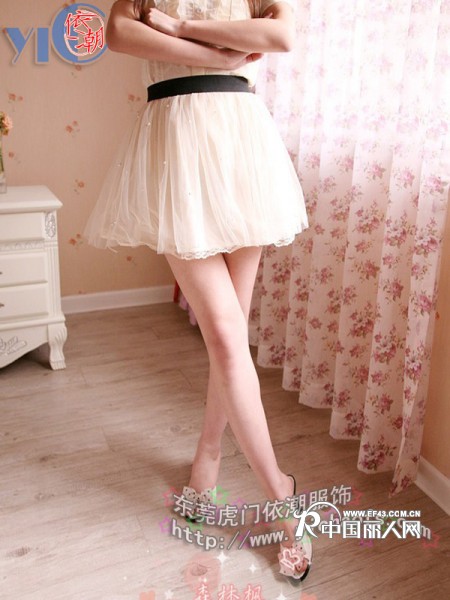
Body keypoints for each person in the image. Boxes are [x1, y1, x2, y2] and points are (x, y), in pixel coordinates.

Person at [84, 0, 311, 581]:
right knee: (228, 340)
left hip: (242, 146)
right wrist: (223, 54)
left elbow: (281, 35)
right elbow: (118, 32)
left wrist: (182, 27)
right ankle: (283, 498)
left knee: (227, 342)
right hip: (177, 147)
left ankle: (206, 463)